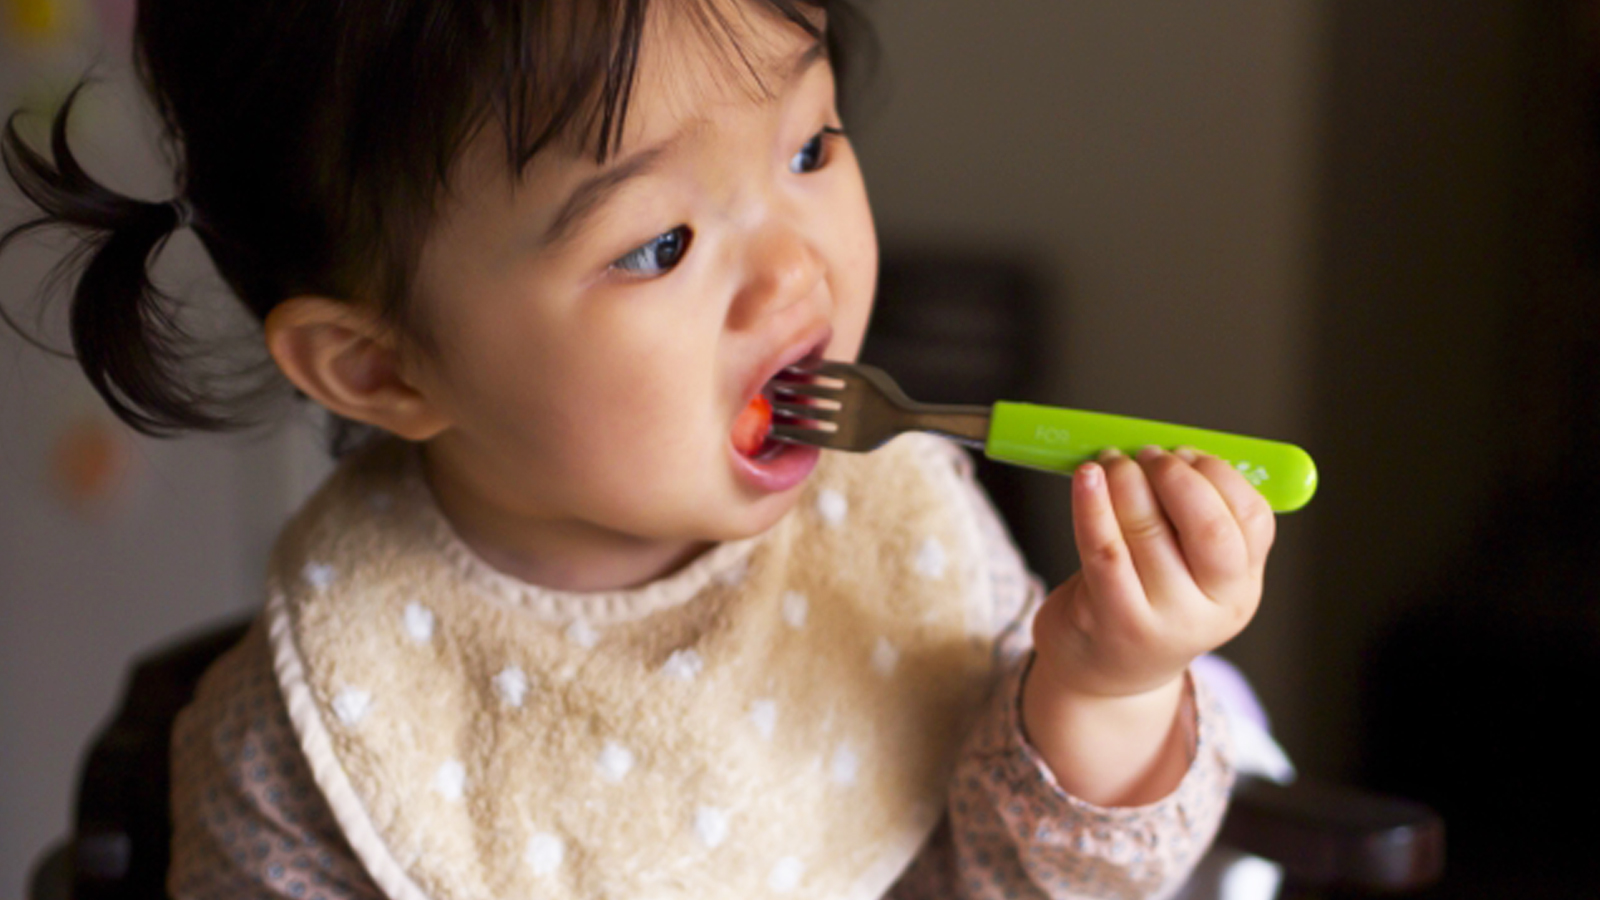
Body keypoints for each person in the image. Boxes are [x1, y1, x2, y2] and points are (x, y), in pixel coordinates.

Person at [0, 1, 1275, 897]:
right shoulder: (312, 729)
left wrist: (1104, 681)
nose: (791, 268)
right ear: (382, 366)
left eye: (810, 145)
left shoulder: (891, 515)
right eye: (658, 245)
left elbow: (1038, 885)